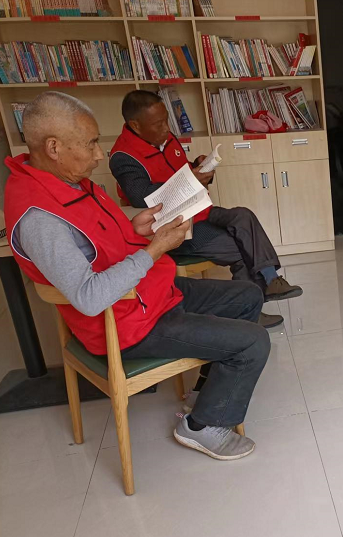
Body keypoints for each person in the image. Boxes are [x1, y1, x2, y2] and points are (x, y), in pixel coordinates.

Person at [4, 91, 270, 460]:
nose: (100, 154)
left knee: (248, 295)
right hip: (125, 325)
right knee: (254, 341)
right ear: (54, 147)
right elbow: (89, 297)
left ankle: (207, 393)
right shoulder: (40, 219)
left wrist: (136, 230)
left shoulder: (70, 184)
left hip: (149, 296)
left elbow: (97, 246)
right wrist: (155, 249)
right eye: (91, 143)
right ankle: (201, 426)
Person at [110, 90, 302, 305]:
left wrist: (198, 167)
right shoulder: (123, 157)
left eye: (166, 120)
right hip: (177, 226)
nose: (166, 128)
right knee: (240, 247)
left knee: (243, 216)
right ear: (136, 125)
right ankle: (249, 307)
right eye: (158, 124)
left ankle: (271, 281)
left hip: (201, 209)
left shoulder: (166, 138)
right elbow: (141, 197)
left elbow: (178, 171)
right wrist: (190, 179)